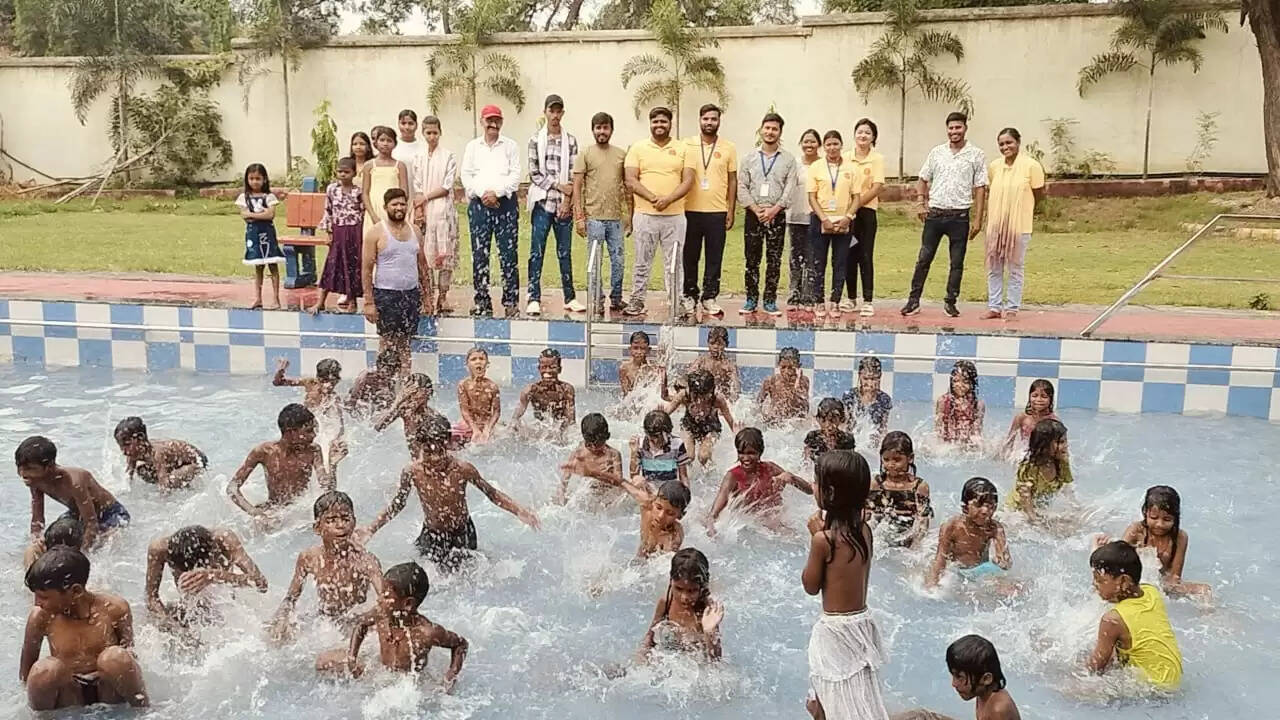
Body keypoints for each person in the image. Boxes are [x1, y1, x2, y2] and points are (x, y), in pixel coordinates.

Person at [366, 415, 540, 571]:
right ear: (420, 447)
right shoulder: (412, 472)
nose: (434, 458)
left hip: (462, 534)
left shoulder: (462, 469)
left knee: (468, 575)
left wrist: (519, 510)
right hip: (432, 534)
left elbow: (492, 493)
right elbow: (398, 503)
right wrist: (371, 528)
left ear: (448, 444)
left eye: (439, 451)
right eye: (428, 452)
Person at [801, 450, 889, 720]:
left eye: (816, 482)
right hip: (861, 623)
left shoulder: (824, 540)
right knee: (858, 695)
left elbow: (810, 586)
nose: (813, 486)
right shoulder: (864, 531)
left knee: (832, 694)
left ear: (829, 492)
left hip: (835, 630)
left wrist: (815, 535)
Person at [20, 547, 148, 709]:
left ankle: (144, 712)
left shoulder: (114, 609)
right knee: (44, 670)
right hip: (70, 695)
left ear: (76, 591)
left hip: (108, 691)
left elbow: (130, 661)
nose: (37, 603)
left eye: (43, 597)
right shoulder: (41, 617)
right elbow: (26, 675)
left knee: (114, 658)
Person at [317, 562, 468, 692]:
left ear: (407, 604)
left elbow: (461, 644)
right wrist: (352, 657)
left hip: (408, 684)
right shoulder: (381, 613)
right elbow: (361, 624)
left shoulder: (426, 633)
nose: (379, 599)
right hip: (381, 672)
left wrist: (450, 675)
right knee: (322, 662)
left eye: (386, 595)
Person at [903, 112, 989, 318]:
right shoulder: (937, 152)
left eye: (958, 127)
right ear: (947, 129)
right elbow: (923, 178)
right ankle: (913, 301)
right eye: (951, 128)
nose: (954, 131)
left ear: (965, 128)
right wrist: (921, 203)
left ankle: (950, 302)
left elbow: (980, 188)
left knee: (956, 262)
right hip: (935, 215)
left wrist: (978, 219)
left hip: (959, 216)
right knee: (924, 259)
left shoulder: (976, 155)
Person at [270, 491, 384, 640]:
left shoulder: (365, 561)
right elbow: (291, 597)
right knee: (276, 634)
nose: (340, 525)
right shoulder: (309, 558)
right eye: (331, 520)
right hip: (323, 620)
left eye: (346, 519)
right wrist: (282, 618)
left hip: (354, 621)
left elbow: (387, 599)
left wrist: (365, 620)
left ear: (354, 522)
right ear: (317, 528)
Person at [623, 106, 696, 317]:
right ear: (650, 124)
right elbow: (630, 179)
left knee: (674, 262)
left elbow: (688, 180)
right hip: (645, 215)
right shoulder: (638, 148)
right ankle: (637, 300)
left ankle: (676, 301)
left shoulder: (684, 149)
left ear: (670, 124)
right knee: (642, 262)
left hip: (674, 217)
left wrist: (669, 199)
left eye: (663, 121)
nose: (659, 125)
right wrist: (653, 198)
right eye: (655, 122)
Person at [1086, 541, 1182, 689]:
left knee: (1073, 687)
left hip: (1151, 688)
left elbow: (1095, 667)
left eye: (1100, 580)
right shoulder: (1152, 592)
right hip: (1173, 678)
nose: (1094, 585)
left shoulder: (1112, 620)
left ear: (1124, 581)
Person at [461, 104, 522, 318]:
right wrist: (483, 194)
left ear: (501, 122)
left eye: (497, 120)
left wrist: (497, 193)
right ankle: (482, 301)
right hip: (479, 205)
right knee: (480, 254)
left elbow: (515, 175)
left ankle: (511, 301)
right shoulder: (472, 147)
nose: (493, 124)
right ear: (482, 122)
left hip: (505, 205)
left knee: (508, 254)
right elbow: (466, 175)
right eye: (489, 120)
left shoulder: (510, 146)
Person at [17, 435, 128, 550]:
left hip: (111, 513)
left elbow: (91, 523)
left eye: (30, 468)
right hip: (77, 513)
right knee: (54, 538)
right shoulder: (35, 481)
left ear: (49, 467)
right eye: (19, 468)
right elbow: (37, 521)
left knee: (102, 544)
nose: (23, 474)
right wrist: (36, 541)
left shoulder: (74, 481)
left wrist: (83, 553)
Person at [144, 525, 268, 628]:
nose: (194, 577)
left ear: (214, 552)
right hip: (188, 608)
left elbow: (261, 584)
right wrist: (171, 625)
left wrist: (216, 575)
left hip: (225, 604)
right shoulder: (159, 550)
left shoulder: (224, 539)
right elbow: (151, 598)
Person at [527, 94, 583, 316]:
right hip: (543, 204)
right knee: (537, 252)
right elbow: (534, 173)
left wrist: (567, 201)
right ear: (545, 112)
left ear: (563, 113)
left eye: (559, 111)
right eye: (552, 111)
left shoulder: (571, 141)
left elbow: (574, 174)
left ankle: (570, 297)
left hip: (563, 207)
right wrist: (559, 186)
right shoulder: (535, 140)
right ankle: (533, 297)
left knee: (564, 252)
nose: (555, 115)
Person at [362, 188, 429, 372]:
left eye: (402, 204)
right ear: (385, 207)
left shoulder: (415, 231)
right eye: (394, 204)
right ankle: (383, 381)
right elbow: (366, 270)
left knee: (405, 343)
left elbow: (423, 266)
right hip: (386, 295)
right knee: (387, 342)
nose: (399, 208)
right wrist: (369, 302)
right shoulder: (375, 233)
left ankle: (405, 381)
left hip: (410, 294)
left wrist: (427, 297)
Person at [982, 128, 1045, 321]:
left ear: (1018, 142)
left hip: (1019, 226)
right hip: (996, 225)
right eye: (1001, 144)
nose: (1005, 147)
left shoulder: (1031, 166)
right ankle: (994, 307)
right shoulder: (994, 166)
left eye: (1009, 142)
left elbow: (1038, 194)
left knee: (1015, 268)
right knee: (994, 267)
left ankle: (1012, 308)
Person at [226, 403, 332, 518]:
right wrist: (254, 512)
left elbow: (326, 487)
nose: (314, 435)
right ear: (291, 432)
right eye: (308, 431)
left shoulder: (313, 451)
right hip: (274, 509)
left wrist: (333, 464)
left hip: (300, 512)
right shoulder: (264, 452)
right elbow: (232, 488)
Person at [573, 111, 632, 314]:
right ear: (593, 130)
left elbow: (627, 187)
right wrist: (579, 217)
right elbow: (577, 187)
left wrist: (629, 215)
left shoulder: (621, 155)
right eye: (598, 128)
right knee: (595, 262)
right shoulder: (585, 154)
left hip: (615, 219)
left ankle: (616, 298)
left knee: (618, 261)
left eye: (605, 127)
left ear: (611, 130)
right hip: (594, 219)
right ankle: (596, 300)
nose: (602, 131)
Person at [682, 104, 737, 318]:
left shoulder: (729, 147)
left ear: (719, 121)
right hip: (690, 210)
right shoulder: (687, 145)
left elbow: (732, 180)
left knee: (714, 257)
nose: (709, 123)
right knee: (690, 256)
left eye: (713, 119)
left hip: (717, 211)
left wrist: (730, 209)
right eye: (706, 119)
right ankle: (690, 295)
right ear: (699, 120)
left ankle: (710, 297)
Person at [739, 112, 796, 315]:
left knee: (774, 259)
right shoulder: (749, 158)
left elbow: (790, 188)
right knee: (751, 259)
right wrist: (755, 209)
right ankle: (751, 299)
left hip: (776, 214)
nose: (770, 132)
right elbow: (742, 186)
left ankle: (770, 300)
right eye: (767, 128)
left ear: (780, 132)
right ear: (761, 130)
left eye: (775, 129)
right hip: (753, 214)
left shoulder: (788, 159)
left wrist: (774, 209)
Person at [706, 427, 813, 534]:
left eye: (751, 453)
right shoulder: (733, 476)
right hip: (748, 527)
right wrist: (711, 530)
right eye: (741, 453)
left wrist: (792, 477)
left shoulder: (770, 468)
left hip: (774, 525)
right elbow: (713, 514)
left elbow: (810, 490)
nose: (746, 458)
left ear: (760, 452)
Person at [1114, 485, 1211, 597]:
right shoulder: (1136, 530)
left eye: (1167, 519)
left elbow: (1175, 577)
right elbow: (1116, 558)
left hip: (1163, 584)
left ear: (1175, 518)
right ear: (1145, 513)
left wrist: (1163, 588)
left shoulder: (1180, 537)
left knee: (1205, 590)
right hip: (1136, 582)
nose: (1160, 524)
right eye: (1154, 518)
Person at [412, 115, 460, 314]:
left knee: (445, 255)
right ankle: (427, 297)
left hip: (443, 210)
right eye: (428, 133)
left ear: (440, 133)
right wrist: (419, 207)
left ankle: (443, 296)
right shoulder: (418, 157)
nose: (432, 137)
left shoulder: (448, 156)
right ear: (423, 134)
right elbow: (417, 185)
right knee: (425, 256)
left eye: (435, 133)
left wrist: (425, 197)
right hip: (425, 211)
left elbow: (447, 186)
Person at [806, 130, 856, 318]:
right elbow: (812, 197)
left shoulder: (851, 168)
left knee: (840, 262)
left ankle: (835, 302)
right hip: (820, 220)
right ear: (823, 146)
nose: (832, 148)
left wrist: (848, 217)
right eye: (828, 144)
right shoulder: (816, 167)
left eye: (836, 144)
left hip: (844, 220)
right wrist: (824, 219)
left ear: (841, 145)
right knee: (818, 262)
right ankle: (819, 301)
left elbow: (856, 197)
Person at [926, 478, 1011, 588]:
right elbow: (940, 560)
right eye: (978, 505)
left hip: (981, 571)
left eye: (990, 506)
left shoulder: (995, 528)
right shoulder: (951, 527)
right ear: (965, 507)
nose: (985, 511)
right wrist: (932, 585)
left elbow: (1005, 560)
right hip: (956, 571)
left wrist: (1002, 562)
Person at [641, 548, 724, 660]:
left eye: (691, 591)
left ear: (702, 587)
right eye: (678, 588)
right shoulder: (667, 601)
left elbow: (716, 661)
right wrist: (640, 660)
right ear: (671, 581)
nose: (684, 597)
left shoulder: (707, 611)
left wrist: (709, 631)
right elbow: (649, 638)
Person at [273, 357, 348, 474]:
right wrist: (281, 371)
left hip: (314, 432)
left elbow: (339, 424)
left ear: (338, 380)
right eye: (324, 381)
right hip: (303, 429)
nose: (328, 385)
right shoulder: (310, 383)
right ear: (318, 378)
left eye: (333, 382)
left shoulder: (334, 399)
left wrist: (338, 439)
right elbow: (278, 382)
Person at [312, 156, 366, 315]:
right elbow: (328, 211)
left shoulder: (358, 191)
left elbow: (362, 211)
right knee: (332, 264)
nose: (343, 175)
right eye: (340, 171)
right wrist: (329, 232)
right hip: (338, 231)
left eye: (346, 172)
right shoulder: (332, 189)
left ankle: (352, 300)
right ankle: (321, 301)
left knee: (352, 265)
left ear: (354, 173)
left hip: (354, 231)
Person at [843, 118, 886, 317]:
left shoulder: (877, 159)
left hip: (866, 213)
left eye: (867, 132)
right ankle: (851, 298)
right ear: (854, 134)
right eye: (860, 132)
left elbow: (877, 187)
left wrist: (856, 204)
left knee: (865, 255)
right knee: (849, 254)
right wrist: (849, 209)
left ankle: (868, 301)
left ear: (873, 137)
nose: (863, 135)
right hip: (848, 215)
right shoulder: (845, 157)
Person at [867, 431, 932, 548]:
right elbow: (870, 517)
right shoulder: (877, 484)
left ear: (910, 458)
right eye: (886, 459)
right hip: (881, 539)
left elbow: (923, 522)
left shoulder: (918, 486)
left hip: (908, 537)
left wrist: (915, 547)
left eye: (897, 460)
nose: (891, 464)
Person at [664, 368, 736, 468]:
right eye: (696, 396)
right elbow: (666, 412)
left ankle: (710, 471)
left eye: (704, 396)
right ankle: (686, 474)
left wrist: (740, 435)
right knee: (688, 456)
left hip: (711, 428)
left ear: (711, 391)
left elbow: (730, 420)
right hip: (689, 425)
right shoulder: (684, 395)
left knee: (703, 456)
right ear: (690, 391)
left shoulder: (717, 399)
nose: (700, 400)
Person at [236, 163, 284, 309]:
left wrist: (253, 215)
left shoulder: (269, 197)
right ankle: (258, 298)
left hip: (267, 235)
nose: (255, 182)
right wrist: (261, 214)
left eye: (258, 178)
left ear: (264, 179)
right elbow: (244, 216)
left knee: (273, 265)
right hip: (254, 236)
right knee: (258, 267)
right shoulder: (244, 197)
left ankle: (276, 299)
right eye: (251, 178)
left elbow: (270, 215)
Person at [113, 416, 207, 490]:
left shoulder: (157, 453)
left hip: (196, 461)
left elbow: (164, 487)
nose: (124, 451)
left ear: (141, 438)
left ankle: (186, 486)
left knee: (171, 481)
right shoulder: (132, 453)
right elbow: (128, 478)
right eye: (121, 446)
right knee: (143, 471)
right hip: (177, 462)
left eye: (127, 444)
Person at [945, 635, 1021, 720]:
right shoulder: (983, 693)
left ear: (986, 679)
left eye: (960, 677)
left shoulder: (998, 711)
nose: (954, 684)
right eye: (953, 675)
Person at [1008, 418, 1072, 520]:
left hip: (1039, 508)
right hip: (1017, 510)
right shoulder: (1031, 467)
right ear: (1044, 446)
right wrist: (1033, 518)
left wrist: (1075, 509)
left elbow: (1068, 490)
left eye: (1065, 441)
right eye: (1061, 442)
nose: (1066, 446)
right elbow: (1025, 494)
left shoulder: (1062, 462)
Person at [787, 129, 822, 311]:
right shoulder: (794, 164)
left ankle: (808, 297)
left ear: (819, 144)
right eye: (806, 141)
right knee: (795, 258)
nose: (809, 145)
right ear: (801, 144)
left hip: (815, 217)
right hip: (795, 216)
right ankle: (793, 295)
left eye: (813, 141)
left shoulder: (823, 165)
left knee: (811, 257)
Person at [556, 413, 626, 504]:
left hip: (607, 495)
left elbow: (619, 482)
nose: (593, 447)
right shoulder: (580, 452)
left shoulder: (613, 455)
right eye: (589, 444)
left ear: (607, 437)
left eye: (598, 444)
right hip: (588, 494)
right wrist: (561, 495)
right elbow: (565, 478)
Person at [375, 373, 448, 454]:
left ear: (427, 393)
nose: (412, 397)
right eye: (409, 394)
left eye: (415, 392)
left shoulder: (433, 418)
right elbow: (378, 427)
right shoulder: (405, 411)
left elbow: (439, 453)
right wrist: (398, 401)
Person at [619, 477, 690, 558]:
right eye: (658, 508)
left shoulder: (674, 536)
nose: (660, 516)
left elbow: (665, 561)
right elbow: (621, 482)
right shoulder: (647, 505)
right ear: (654, 501)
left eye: (670, 513)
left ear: (680, 516)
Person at [512, 348, 577, 436]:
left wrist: (562, 435)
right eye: (544, 367)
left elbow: (571, 422)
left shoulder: (566, 390)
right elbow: (515, 418)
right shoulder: (530, 391)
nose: (548, 371)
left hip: (559, 432)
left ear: (559, 369)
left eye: (552, 367)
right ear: (539, 369)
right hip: (539, 432)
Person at [629, 409, 691, 488]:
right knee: (638, 481)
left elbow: (683, 476)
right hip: (649, 489)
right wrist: (633, 453)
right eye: (650, 436)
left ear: (667, 433)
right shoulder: (640, 445)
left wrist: (686, 492)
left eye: (657, 436)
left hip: (668, 489)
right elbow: (634, 476)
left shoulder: (677, 444)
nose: (655, 440)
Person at [362, 125, 409, 227]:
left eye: (389, 140)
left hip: (394, 209)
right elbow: (365, 193)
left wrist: (398, 208)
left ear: (395, 144)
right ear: (376, 143)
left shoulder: (400, 166)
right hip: (374, 208)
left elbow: (404, 192)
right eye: (382, 140)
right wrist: (372, 215)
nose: (385, 143)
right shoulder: (369, 165)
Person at [842, 356, 893, 442]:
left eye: (873, 379)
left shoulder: (884, 400)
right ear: (859, 375)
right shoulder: (850, 396)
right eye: (865, 379)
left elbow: (883, 428)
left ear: (880, 376)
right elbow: (845, 424)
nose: (869, 383)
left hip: (872, 442)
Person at [457, 347, 501, 444]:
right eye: (473, 359)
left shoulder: (492, 386)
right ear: (467, 365)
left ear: (487, 364)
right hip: (469, 423)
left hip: (487, 423)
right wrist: (475, 429)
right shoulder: (463, 385)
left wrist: (488, 429)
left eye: (481, 359)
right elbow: (464, 411)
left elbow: (496, 412)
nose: (478, 362)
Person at [936, 360, 984, 445]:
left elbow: (977, 432)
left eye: (965, 382)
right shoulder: (943, 401)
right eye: (956, 381)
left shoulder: (978, 405)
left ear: (972, 384)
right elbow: (939, 430)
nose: (960, 385)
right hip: (947, 445)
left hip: (967, 445)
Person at [686, 325, 741, 401]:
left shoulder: (729, 365)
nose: (715, 347)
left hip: (723, 400)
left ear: (726, 344)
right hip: (704, 399)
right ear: (708, 343)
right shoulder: (701, 361)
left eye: (719, 344)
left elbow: (737, 389)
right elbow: (688, 378)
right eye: (712, 343)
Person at [758, 346, 810, 424]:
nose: (786, 371)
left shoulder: (803, 381)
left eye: (791, 368)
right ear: (779, 365)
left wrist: (797, 382)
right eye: (783, 367)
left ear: (798, 367)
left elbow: (805, 408)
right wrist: (764, 417)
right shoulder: (772, 381)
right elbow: (758, 403)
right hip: (775, 422)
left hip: (795, 423)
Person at [1003, 379, 1057, 452]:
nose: (1039, 399)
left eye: (1044, 397)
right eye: (1034, 396)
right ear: (1029, 397)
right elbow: (1009, 441)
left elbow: (1059, 448)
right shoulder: (1021, 417)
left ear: (1051, 399)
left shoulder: (1054, 421)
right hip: (1024, 453)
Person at [618, 330, 669, 405]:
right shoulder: (624, 368)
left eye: (642, 348)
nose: (639, 352)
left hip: (649, 404)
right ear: (630, 349)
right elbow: (626, 395)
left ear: (648, 350)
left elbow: (661, 395)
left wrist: (663, 376)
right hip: (632, 405)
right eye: (635, 348)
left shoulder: (655, 370)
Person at [348, 347, 401, 418]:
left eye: (391, 371)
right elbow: (353, 398)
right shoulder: (367, 375)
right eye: (386, 369)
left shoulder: (391, 381)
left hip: (375, 406)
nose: (387, 373)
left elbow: (391, 404)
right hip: (361, 403)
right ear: (379, 365)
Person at [804, 398, 857, 463]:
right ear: (818, 419)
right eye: (824, 421)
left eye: (834, 421)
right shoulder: (813, 437)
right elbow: (806, 463)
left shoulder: (847, 439)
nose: (830, 427)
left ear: (841, 419)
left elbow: (851, 464)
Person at [391, 110, 423, 190]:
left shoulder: (424, 146)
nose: (407, 127)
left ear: (416, 125)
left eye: (411, 123)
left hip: (419, 192)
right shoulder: (392, 145)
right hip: (396, 191)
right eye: (403, 123)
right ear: (398, 124)